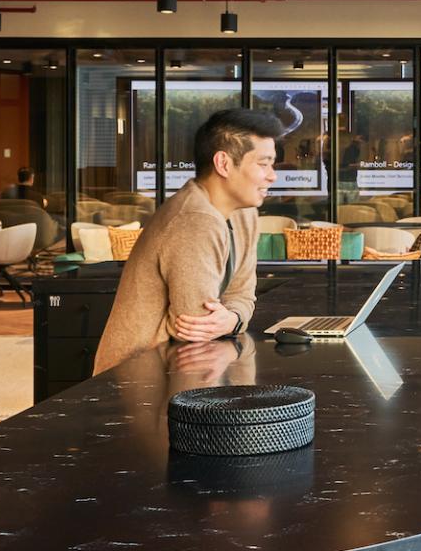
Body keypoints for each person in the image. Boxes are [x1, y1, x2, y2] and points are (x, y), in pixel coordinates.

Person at [92, 108, 281, 373]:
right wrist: (229, 318)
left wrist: (232, 319)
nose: (272, 176)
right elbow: (195, 327)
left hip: (180, 369)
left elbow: (243, 295)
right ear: (224, 164)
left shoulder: (245, 214)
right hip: (137, 379)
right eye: (263, 164)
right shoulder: (193, 219)